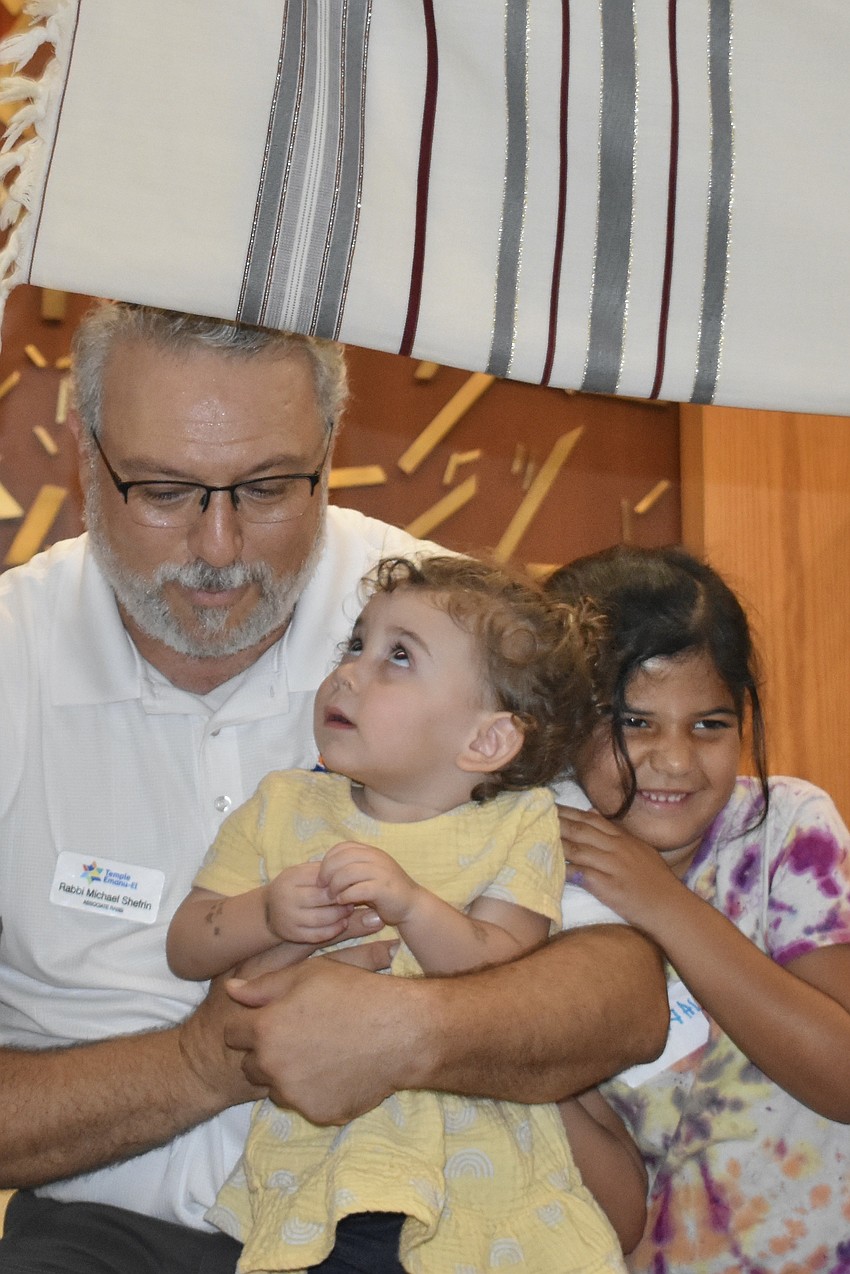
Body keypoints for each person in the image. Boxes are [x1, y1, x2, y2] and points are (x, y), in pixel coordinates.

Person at [0, 300, 667, 1274]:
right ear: (85, 453)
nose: (219, 547)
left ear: (329, 449)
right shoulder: (13, 656)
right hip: (102, 1230)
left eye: (268, 487)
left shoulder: (454, 620)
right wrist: (201, 1061)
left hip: (412, 1219)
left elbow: (623, 996)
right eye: (165, 489)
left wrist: (412, 1030)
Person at [168, 552, 637, 1272]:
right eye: (355, 644)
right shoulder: (284, 806)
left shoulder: (518, 824)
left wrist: (413, 906)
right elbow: (189, 945)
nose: (351, 671)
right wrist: (270, 913)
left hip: (478, 1183)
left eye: (398, 657)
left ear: (486, 740)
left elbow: (504, 974)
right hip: (321, 1178)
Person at [546, 544, 850, 1272]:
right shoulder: (529, 875)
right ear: (556, 719)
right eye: (635, 723)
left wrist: (664, 906)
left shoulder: (788, 828)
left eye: (709, 724)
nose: (676, 760)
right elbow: (606, 1203)